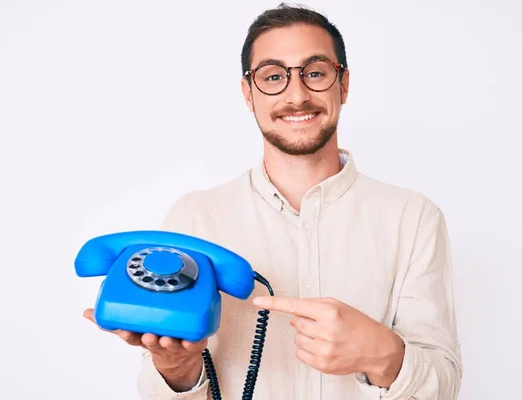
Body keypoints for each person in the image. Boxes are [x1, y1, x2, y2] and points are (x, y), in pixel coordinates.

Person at [83, 3, 463, 399]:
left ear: (343, 85)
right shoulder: (194, 217)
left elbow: (446, 383)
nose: (296, 95)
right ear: (248, 93)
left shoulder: (415, 218)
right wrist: (177, 370)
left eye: (315, 73)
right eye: (273, 77)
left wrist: (382, 354)